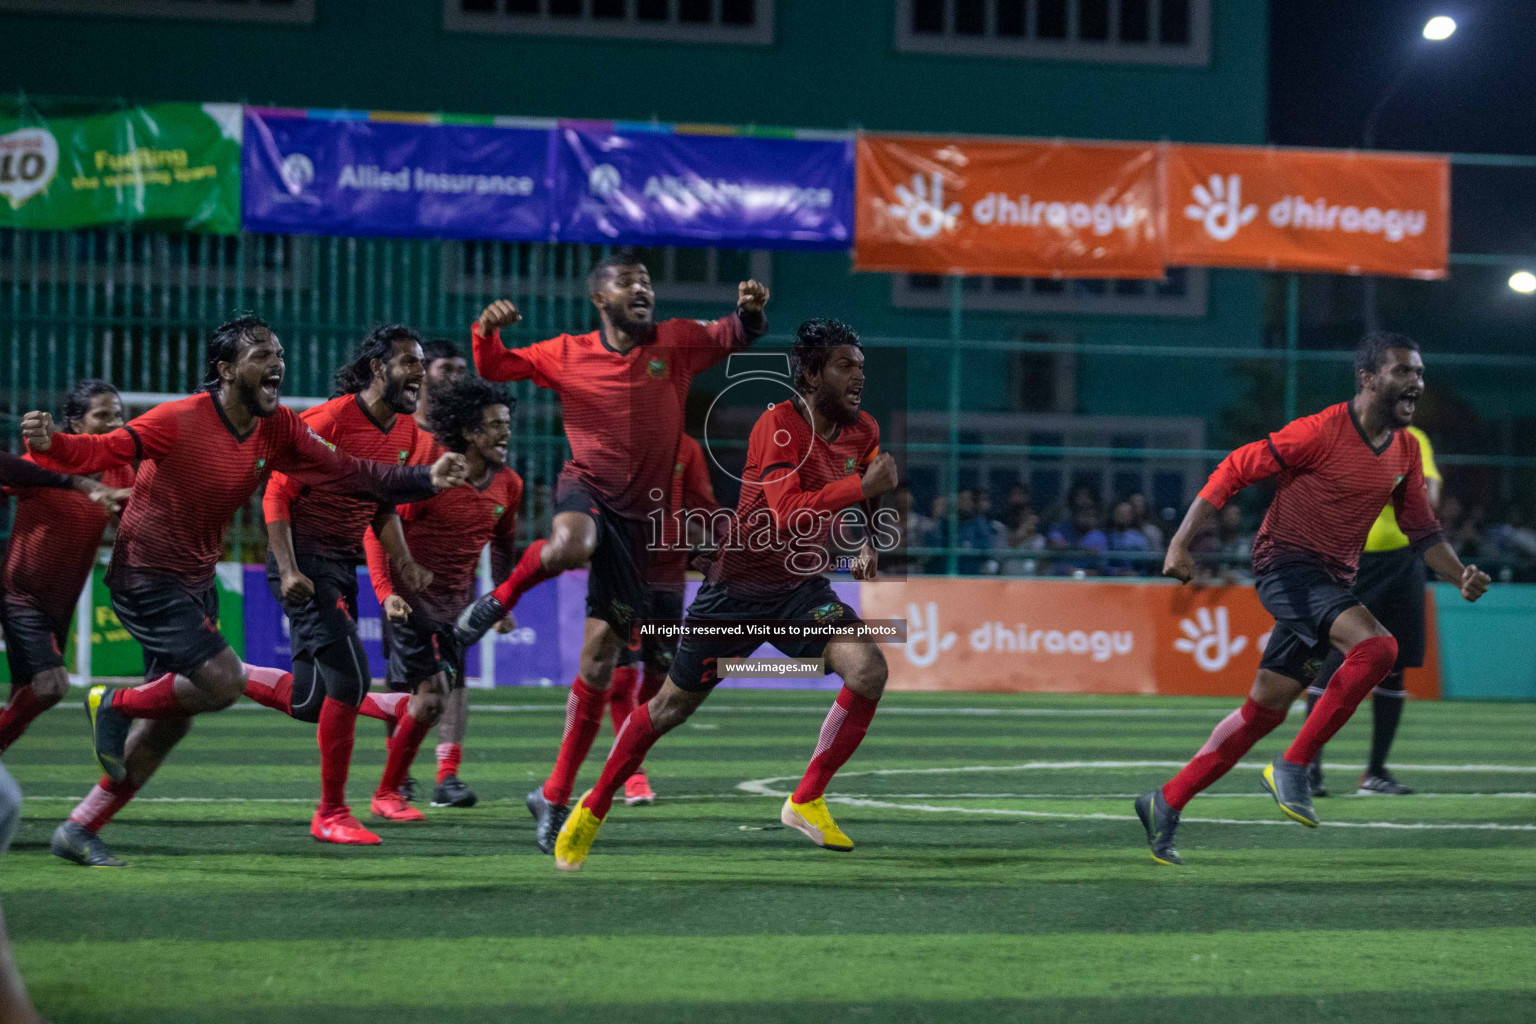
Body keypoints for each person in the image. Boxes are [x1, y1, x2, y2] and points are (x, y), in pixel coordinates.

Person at [21, 315, 468, 866]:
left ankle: (79, 827)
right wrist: (52, 446)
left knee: (173, 722)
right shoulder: (180, 417)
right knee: (222, 681)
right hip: (146, 577)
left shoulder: (276, 426)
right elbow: (103, 451)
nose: (276, 362)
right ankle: (112, 705)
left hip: (196, 580)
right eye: (260, 354)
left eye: (278, 352)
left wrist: (425, 478)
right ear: (226, 369)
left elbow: (349, 471)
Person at [552, 317, 898, 872]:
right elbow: (786, 513)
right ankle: (592, 807)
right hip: (735, 592)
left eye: (861, 366)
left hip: (800, 591)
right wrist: (866, 488)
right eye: (843, 366)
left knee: (868, 668)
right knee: (667, 708)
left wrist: (869, 540)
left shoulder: (863, 429)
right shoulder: (778, 426)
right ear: (810, 373)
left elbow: (868, 479)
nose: (858, 377)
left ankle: (806, 799)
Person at [454, 249, 768, 853]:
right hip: (587, 488)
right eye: (629, 282)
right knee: (572, 542)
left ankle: (552, 793)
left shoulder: (676, 343)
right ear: (601, 298)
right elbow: (496, 365)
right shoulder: (566, 352)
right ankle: (500, 596)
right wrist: (485, 330)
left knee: (598, 665)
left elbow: (732, 334)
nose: (642, 289)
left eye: (647, 282)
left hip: (642, 530)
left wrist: (749, 312)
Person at [1135, 332, 1489, 866]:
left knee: (1264, 710)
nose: (1416, 381)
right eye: (1402, 371)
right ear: (1368, 378)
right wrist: (1182, 542)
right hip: (1285, 567)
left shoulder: (1408, 449)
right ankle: (1294, 766)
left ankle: (1165, 801)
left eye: (1418, 372)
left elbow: (1422, 529)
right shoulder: (1319, 432)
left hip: (1331, 581)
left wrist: (1459, 574)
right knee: (1378, 649)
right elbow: (1234, 468)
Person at [239, 325, 439, 844]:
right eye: (410, 363)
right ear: (378, 369)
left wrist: (406, 563)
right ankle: (331, 812)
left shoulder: (408, 435)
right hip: (303, 562)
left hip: (339, 565)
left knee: (312, 701)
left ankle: (227, 674)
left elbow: (381, 506)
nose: (420, 372)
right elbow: (275, 494)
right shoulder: (330, 418)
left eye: (422, 363)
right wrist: (289, 570)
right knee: (350, 680)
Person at [362, 377, 522, 818]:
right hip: (410, 603)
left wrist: (503, 600)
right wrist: (386, 591)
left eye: (507, 423)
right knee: (427, 694)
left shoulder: (509, 485)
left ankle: (432, 777)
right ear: (469, 433)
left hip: (458, 610)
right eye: (493, 425)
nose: (505, 432)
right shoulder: (433, 469)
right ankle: (394, 785)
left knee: (438, 692)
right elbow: (379, 522)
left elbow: (505, 544)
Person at [1304, 422, 1442, 797]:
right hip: (1353, 561)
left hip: (1406, 561)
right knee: (1337, 658)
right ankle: (1306, 768)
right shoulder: (1342, 435)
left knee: (1395, 666)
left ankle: (1376, 773)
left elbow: (1429, 497)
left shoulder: (1414, 439)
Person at [0, 381, 133, 754]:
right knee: (51, 686)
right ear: (75, 425)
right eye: (102, 415)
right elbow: (8, 474)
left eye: (118, 415)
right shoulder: (45, 461)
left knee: (25, 700)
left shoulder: (120, 470)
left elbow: (127, 523)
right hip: (21, 595)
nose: (114, 423)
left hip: (61, 603)